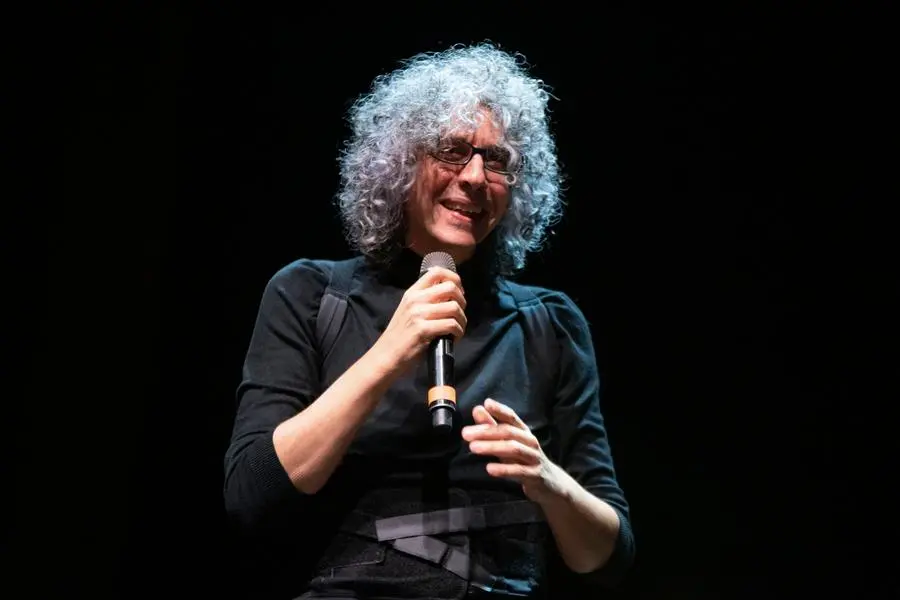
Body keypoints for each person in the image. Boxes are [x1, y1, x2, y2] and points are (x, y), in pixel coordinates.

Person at [223, 43, 635, 599]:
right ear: (398, 161)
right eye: (451, 151)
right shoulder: (312, 293)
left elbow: (606, 559)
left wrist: (548, 480)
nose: (473, 177)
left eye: (496, 161)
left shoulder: (550, 325)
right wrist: (390, 351)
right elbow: (254, 497)